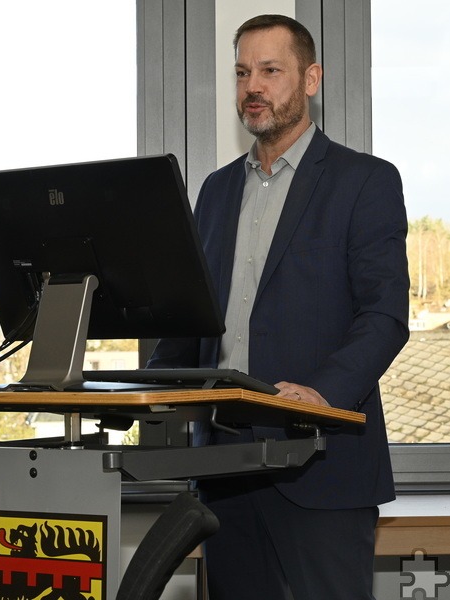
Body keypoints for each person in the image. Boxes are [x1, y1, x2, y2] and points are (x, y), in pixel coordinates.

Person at [148, 14, 409, 600]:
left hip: (322, 470)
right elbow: (193, 321)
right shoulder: (214, 191)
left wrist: (323, 394)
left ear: (311, 79)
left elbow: (385, 315)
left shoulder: (364, 181)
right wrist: (143, 394)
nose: (252, 87)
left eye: (270, 70)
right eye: (242, 72)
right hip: (226, 473)